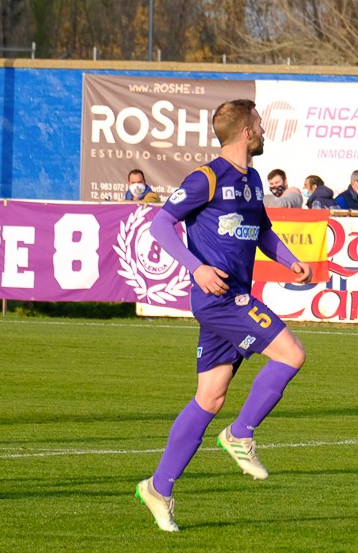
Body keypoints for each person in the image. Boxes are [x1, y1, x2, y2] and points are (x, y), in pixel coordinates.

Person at [135, 99, 313, 533]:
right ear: (246, 132)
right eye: (259, 124)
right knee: (291, 354)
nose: (264, 131)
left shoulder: (252, 180)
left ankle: (158, 488)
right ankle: (240, 434)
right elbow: (161, 224)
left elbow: (263, 232)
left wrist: (290, 260)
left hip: (234, 297)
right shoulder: (206, 178)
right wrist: (195, 266)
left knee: (210, 397)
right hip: (220, 299)